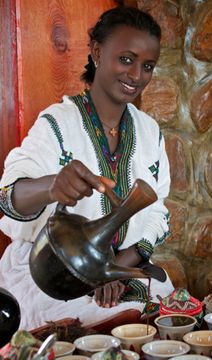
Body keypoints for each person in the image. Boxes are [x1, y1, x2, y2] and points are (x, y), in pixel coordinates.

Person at [0, 6, 174, 330]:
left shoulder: (150, 132)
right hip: (49, 271)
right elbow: (8, 195)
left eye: (147, 66)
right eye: (126, 59)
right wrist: (51, 185)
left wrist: (114, 269)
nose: (136, 76)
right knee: (92, 321)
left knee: (165, 300)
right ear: (96, 51)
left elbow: (157, 212)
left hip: (120, 269)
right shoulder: (57, 124)